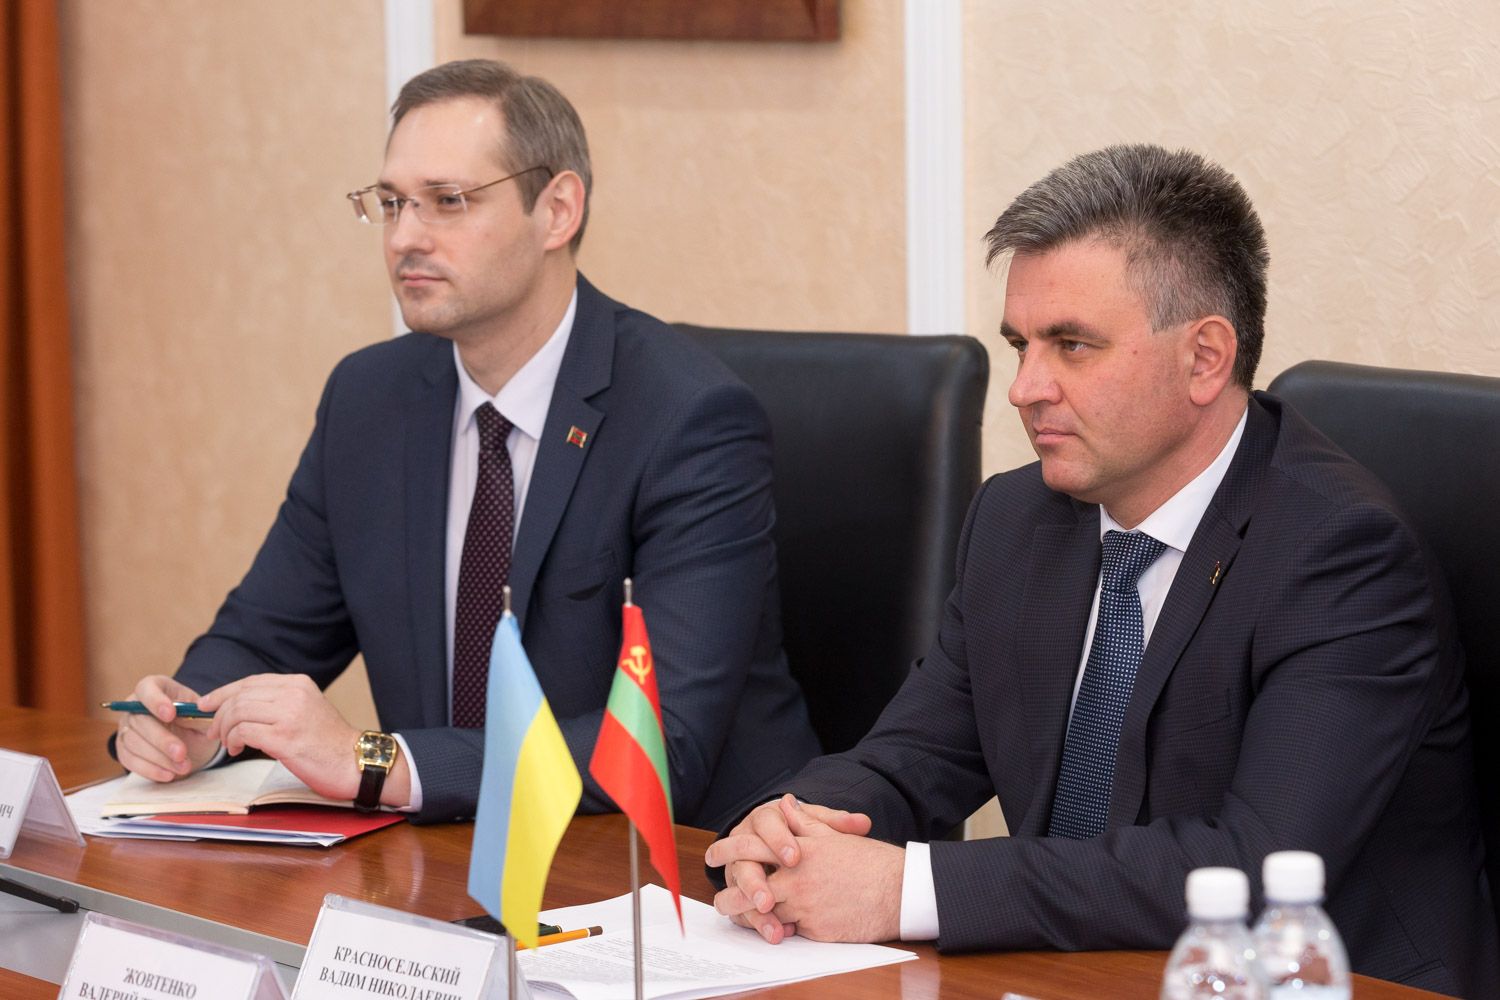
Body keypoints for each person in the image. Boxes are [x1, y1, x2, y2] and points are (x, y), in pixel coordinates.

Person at [707, 144, 1498, 996]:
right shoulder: (1018, 519)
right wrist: (789, 829)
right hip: (1074, 970)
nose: (1024, 388)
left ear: (1205, 358)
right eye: (1021, 345)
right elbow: (913, 757)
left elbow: (1256, 865)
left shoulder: (1342, 555)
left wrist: (907, 889)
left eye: (1072, 346)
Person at [110, 58, 819, 830]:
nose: (405, 237)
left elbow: (660, 742)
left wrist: (375, 761)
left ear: (557, 211)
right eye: (392, 203)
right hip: (451, 854)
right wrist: (186, 720)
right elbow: (265, 635)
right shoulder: (369, 400)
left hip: (678, 864)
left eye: (448, 201)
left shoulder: (688, 418)